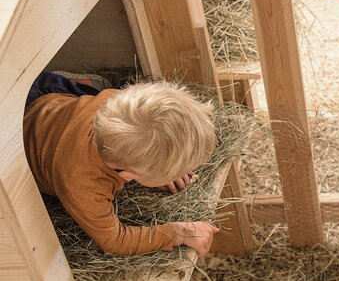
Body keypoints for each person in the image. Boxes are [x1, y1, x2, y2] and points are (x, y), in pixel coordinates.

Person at [23, 73, 220, 258]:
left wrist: (162, 168)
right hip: (23, 143)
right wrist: (179, 233)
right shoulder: (84, 185)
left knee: (91, 92)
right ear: (129, 175)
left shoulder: (118, 103)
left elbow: (154, 128)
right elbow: (115, 241)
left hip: (50, 99)